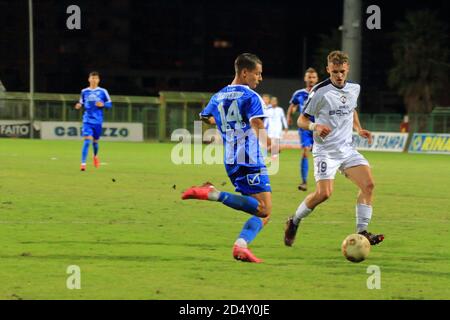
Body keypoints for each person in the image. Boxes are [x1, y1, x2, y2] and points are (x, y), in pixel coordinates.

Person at [284, 51, 384, 247]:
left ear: (347, 69)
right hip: (325, 152)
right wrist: (316, 126)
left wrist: (359, 128)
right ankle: (294, 221)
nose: (339, 75)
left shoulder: (354, 88)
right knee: (324, 194)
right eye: (335, 71)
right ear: (328, 69)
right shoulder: (319, 92)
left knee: (368, 185)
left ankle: (362, 232)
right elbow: (301, 120)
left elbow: (351, 109)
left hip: (346, 149)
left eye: (342, 71)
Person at [182, 53, 272, 263]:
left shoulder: (219, 95)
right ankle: (213, 194)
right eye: (257, 74)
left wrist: (222, 123)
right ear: (244, 72)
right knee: (264, 209)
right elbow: (257, 124)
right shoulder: (250, 96)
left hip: (231, 158)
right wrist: (270, 144)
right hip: (249, 156)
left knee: (262, 212)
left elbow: (204, 116)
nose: (259, 78)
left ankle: (241, 246)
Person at [287, 68, 319, 191]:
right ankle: (304, 182)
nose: (311, 80)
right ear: (305, 79)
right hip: (305, 127)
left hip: (318, 127)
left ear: (317, 79)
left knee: (322, 154)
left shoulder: (320, 92)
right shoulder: (299, 93)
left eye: (313, 77)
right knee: (305, 151)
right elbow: (292, 105)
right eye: (309, 77)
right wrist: (289, 117)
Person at [74, 71, 112, 171]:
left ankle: (95, 156)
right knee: (87, 141)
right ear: (89, 79)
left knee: (95, 142)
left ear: (98, 80)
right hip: (87, 120)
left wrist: (103, 104)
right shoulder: (84, 91)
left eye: (96, 78)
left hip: (98, 121)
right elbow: (81, 102)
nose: (94, 80)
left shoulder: (103, 91)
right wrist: (78, 105)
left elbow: (110, 104)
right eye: (92, 78)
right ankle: (83, 164)